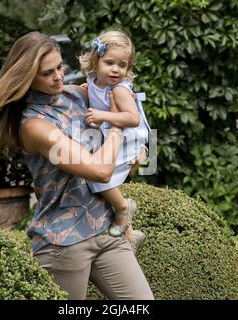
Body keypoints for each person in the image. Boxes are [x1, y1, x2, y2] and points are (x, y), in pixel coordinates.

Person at [0, 31, 154, 300]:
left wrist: (140, 148)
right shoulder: (35, 127)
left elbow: (119, 103)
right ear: (27, 78)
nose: (58, 77)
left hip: (105, 227)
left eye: (59, 67)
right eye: (47, 73)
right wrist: (117, 127)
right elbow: (99, 170)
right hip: (64, 242)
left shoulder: (75, 95)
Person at [79, 31, 151, 253]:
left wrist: (103, 117)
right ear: (95, 61)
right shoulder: (92, 82)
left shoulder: (119, 90)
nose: (116, 70)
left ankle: (123, 208)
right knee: (98, 177)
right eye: (109, 62)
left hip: (128, 138)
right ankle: (130, 235)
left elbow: (133, 118)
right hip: (114, 138)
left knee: (98, 177)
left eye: (122, 65)